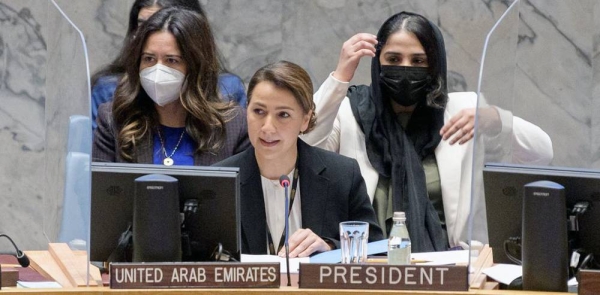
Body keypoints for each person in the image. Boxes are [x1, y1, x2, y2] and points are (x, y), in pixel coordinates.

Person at [301, 11, 553, 252]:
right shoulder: (349, 113)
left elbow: (541, 153)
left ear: (434, 65)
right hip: (366, 266)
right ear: (378, 62)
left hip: (446, 265)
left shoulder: (463, 112)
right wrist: (340, 77)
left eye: (418, 61)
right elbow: (304, 145)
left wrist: (496, 118)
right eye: (393, 59)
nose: (405, 69)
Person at [215, 61, 383, 257]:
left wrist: (329, 247)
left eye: (283, 115)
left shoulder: (342, 175)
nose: (268, 127)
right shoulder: (221, 181)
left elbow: (377, 249)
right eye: (258, 111)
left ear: (305, 119)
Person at [92, 8, 249, 165]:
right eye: (149, 58)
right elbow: (99, 187)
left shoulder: (236, 126)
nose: (157, 69)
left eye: (172, 60)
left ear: (197, 66)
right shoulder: (115, 120)